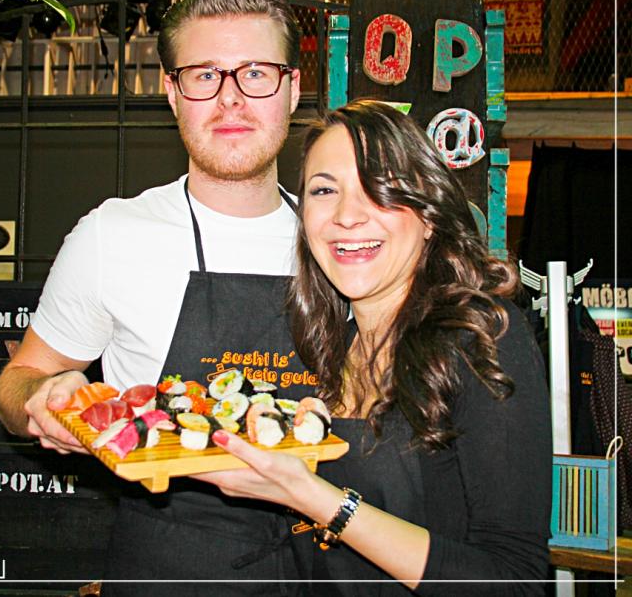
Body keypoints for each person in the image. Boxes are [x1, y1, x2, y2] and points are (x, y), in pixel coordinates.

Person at [0, 0, 317, 594]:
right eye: (204, 75)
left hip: (331, 564)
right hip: (171, 569)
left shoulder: (344, 242)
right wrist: (42, 396)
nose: (230, 99)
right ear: (172, 93)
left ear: (292, 88)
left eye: (255, 73)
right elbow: (18, 379)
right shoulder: (113, 234)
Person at [194, 99, 553, 596]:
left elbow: (515, 580)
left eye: (379, 189)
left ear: (429, 215)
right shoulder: (326, 350)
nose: (347, 216)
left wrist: (314, 497)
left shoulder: (481, 339)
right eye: (325, 190)